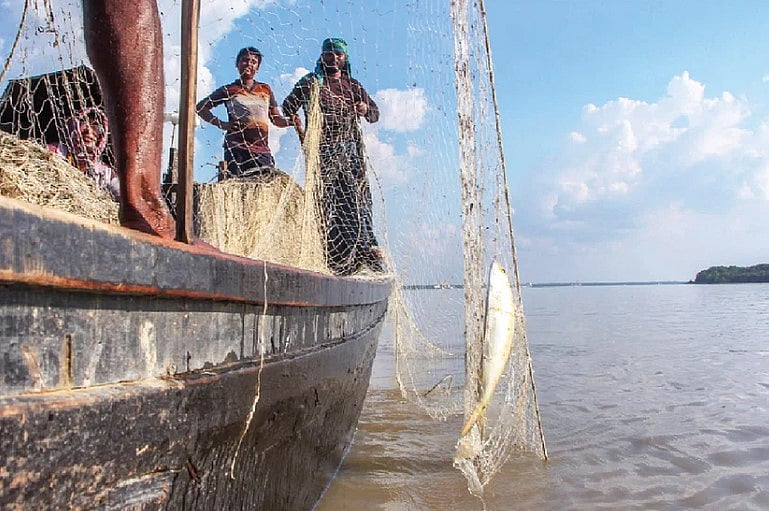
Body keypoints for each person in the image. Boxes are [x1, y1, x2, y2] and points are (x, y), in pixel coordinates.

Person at [282, 37, 383, 275]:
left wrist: (365, 109)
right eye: (329, 54)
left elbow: (375, 114)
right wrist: (300, 120)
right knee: (326, 202)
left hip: (350, 152)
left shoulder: (353, 86)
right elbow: (287, 108)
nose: (334, 58)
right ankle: (331, 254)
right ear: (322, 57)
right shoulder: (310, 82)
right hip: (323, 151)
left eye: (338, 54)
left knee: (355, 200)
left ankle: (365, 250)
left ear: (345, 58)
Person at [82, 0, 176, 238]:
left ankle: (146, 199)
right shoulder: (58, 153)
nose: (88, 133)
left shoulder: (104, 172)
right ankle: (143, 202)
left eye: (95, 128)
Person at [196, 47, 291, 179]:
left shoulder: (265, 90)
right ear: (237, 64)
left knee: (264, 187)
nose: (249, 64)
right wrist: (222, 124)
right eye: (245, 60)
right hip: (237, 149)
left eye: (253, 62)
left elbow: (276, 119)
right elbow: (201, 108)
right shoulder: (229, 90)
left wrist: (290, 122)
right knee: (237, 188)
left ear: (257, 68)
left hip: (262, 150)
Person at [48, 107, 121, 201]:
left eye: (96, 127)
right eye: (83, 123)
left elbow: (121, 196)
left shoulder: (106, 173)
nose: (89, 131)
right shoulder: (53, 153)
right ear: (73, 126)